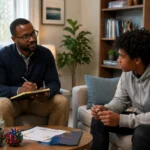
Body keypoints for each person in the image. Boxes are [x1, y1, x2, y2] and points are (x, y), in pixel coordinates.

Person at [0, 18, 69, 127]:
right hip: (13, 103)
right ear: (14, 39)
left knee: (61, 101)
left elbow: (54, 82)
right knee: (1, 104)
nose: (32, 39)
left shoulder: (45, 54)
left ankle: (56, 141)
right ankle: (7, 142)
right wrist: (19, 90)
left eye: (33, 34)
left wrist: (47, 93)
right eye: (25, 36)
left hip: (37, 102)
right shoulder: (3, 55)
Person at [90, 28, 150, 150]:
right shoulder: (127, 72)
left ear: (137, 60)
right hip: (139, 117)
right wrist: (106, 108)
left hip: (146, 124)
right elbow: (121, 100)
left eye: (122, 56)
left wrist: (121, 119)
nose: (118, 60)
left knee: (141, 133)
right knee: (99, 120)